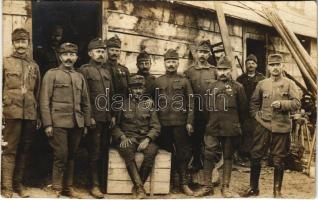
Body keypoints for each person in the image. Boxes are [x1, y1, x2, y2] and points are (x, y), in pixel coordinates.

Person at [241, 54, 301, 198]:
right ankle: (253, 188)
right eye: (272, 65)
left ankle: (277, 192)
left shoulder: (289, 84)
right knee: (255, 156)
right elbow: (253, 104)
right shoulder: (262, 83)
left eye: (277, 65)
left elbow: (297, 104)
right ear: (268, 67)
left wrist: (282, 104)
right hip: (263, 125)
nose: (275, 68)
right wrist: (257, 117)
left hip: (281, 126)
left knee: (278, 159)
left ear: (282, 66)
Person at [40, 42, 91, 198]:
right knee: (61, 154)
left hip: (76, 123)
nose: (69, 58)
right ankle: (56, 188)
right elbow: (44, 100)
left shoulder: (79, 77)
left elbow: (86, 102)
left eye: (72, 55)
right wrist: (47, 123)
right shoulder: (51, 74)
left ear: (76, 57)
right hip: (57, 122)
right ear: (60, 56)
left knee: (72, 155)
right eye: (66, 55)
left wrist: (86, 123)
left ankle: (68, 188)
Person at [194, 56, 248, 197]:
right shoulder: (210, 87)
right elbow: (205, 109)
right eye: (220, 69)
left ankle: (226, 187)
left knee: (228, 156)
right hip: (213, 127)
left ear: (230, 70)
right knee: (208, 154)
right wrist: (210, 122)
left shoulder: (238, 87)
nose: (222, 72)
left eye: (225, 69)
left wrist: (238, 127)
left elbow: (243, 111)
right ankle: (207, 186)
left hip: (230, 128)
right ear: (216, 70)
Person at [1, 28, 41, 198]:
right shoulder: (5, 63)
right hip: (11, 113)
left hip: (29, 115)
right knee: (10, 149)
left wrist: (37, 115)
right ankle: (6, 187)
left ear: (28, 43)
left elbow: (37, 93)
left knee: (25, 149)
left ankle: (18, 184)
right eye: (17, 42)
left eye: (23, 42)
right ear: (13, 43)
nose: (20, 45)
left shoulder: (34, 66)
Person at [112, 75, 160, 199]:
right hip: (128, 138)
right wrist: (122, 137)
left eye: (140, 88)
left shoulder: (149, 104)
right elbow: (114, 126)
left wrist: (148, 139)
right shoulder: (122, 104)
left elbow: (156, 127)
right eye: (135, 88)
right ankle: (140, 188)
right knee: (128, 152)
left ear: (144, 90)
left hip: (144, 138)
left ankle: (139, 188)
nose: (138, 91)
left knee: (151, 153)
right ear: (130, 90)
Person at [79, 38, 116, 198]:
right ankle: (93, 185)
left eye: (103, 51)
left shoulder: (107, 71)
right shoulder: (84, 70)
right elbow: (83, 96)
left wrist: (113, 115)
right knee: (93, 152)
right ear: (90, 53)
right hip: (94, 119)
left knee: (103, 151)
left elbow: (112, 95)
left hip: (106, 119)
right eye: (98, 51)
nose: (101, 54)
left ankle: (102, 183)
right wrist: (89, 118)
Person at [154, 49, 194, 195]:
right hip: (163, 123)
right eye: (168, 61)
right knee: (166, 152)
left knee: (182, 153)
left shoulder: (184, 81)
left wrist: (189, 121)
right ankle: (169, 182)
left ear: (178, 63)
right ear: (164, 63)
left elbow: (191, 102)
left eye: (173, 61)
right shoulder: (157, 81)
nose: (171, 64)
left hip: (180, 123)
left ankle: (183, 183)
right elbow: (151, 103)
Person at [184, 40, 217, 172]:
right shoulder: (189, 72)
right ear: (196, 53)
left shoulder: (214, 71)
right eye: (200, 52)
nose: (202, 55)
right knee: (195, 140)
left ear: (209, 54)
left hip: (210, 112)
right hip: (194, 113)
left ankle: (210, 167)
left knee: (210, 141)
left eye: (205, 52)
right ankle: (196, 163)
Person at [236, 54, 265, 165]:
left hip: (257, 110)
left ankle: (256, 156)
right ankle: (245, 156)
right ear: (246, 65)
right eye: (248, 63)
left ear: (256, 65)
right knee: (245, 132)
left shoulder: (262, 79)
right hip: (243, 110)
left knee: (257, 132)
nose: (250, 65)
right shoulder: (240, 79)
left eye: (253, 63)